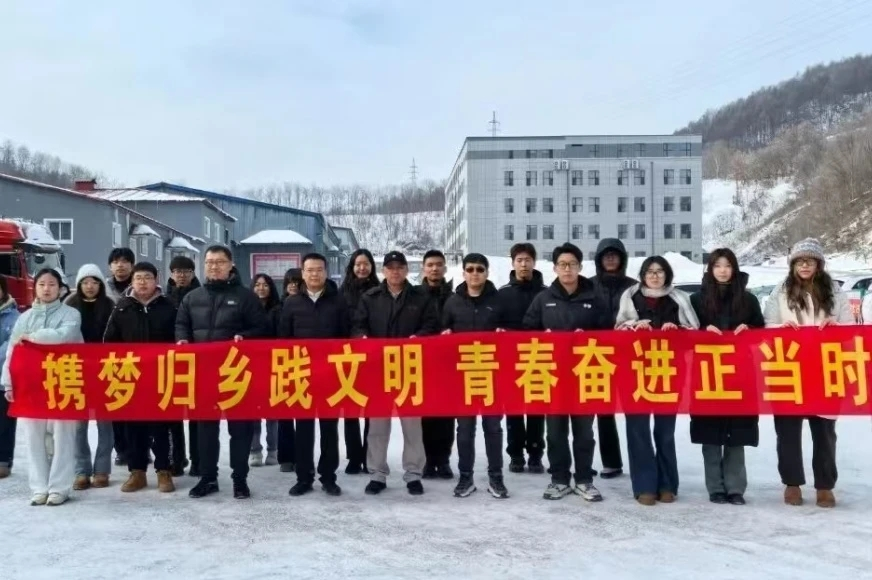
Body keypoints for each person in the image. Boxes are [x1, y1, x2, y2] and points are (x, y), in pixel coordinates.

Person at [763, 238, 852, 508]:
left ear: (818, 265)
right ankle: (792, 483)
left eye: (810, 261)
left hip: (825, 369)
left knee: (824, 431)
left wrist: (836, 326)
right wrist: (781, 329)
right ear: (793, 265)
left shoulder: (835, 291)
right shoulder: (781, 291)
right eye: (800, 261)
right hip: (789, 368)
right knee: (788, 430)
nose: (804, 266)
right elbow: (766, 326)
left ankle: (825, 485)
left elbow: (850, 329)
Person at [175, 246, 270, 499]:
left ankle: (240, 479)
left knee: (240, 429)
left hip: (236, 374)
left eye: (219, 262)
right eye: (209, 262)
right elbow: (182, 324)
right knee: (206, 430)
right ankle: (208, 478)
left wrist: (245, 337)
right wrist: (182, 339)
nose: (214, 266)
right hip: (204, 374)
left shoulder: (245, 297)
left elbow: (262, 328)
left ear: (230, 265)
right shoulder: (192, 297)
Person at [523, 243, 610, 501]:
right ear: (555, 268)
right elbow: (527, 332)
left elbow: (609, 333)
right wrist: (543, 336)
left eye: (572, 264)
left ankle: (584, 479)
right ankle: (559, 479)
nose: (567, 269)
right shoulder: (543, 299)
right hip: (553, 376)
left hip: (585, 375)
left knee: (584, 432)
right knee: (555, 432)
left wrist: (590, 336)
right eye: (562, 264)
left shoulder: (594, 298)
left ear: (580, 267)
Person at [352, 251, 439, 495]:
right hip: (378, 371)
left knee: (412, 426)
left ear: (406, 270)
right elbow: (358, 325)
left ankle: (413, 474)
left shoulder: (420, 297)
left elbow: (431, 325)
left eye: (400, 267)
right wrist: (363, 339)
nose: (395, 271)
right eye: (390, 267)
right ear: (384, 271)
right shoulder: (370, 297)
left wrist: (419, 337)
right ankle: (377, 474)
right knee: (378, 427)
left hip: (409, 370)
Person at [616, 256, 700, 506]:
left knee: (665, 431)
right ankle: (644, 485)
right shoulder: (630, 296)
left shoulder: (679, 298)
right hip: (635, 371)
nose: (654, 276)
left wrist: (678, 330)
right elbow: (618, 329)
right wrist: (633, 326)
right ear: (643, 275)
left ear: (667, 274)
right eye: (650, 271)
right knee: (638, 429)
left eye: (660, 271)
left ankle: (667, 484)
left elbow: (694, 332)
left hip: (668, 372)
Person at [1, 268, 82, 505]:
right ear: (35, 287)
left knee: (63, 436)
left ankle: (60, 487)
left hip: (63, 381)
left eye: (52, 284)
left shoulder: (71, 314)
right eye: (42, 284)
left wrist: (32, 337)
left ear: (61, 289)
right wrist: (8, 382)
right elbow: (12, 352)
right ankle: (39, 487)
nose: (47, 289)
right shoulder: (24, 318)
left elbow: (62, 336)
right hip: (31, 385)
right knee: (33, 437)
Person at [689, 249, 764, 505]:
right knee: (710, 431)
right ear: (710, 269)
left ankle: (735, 487)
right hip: (707, 372)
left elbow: (762, 334)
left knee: (737, 431)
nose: (723, 270)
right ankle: (715, 487)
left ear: (734, 268)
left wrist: (750, 330)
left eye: (728, 265)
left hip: (739, 372)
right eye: (717, 265)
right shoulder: (696, 300)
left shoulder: (748, 300)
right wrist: (701, 330)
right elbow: (684, 334)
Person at [103, 262, 178, 493]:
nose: (142, 282)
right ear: (132, 282)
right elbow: (109, 341)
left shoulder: (169, 306)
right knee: (133, 426)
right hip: (131, 376)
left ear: (156, 280)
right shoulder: (122, 307)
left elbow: (179, 338)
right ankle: (137, 472)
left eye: (147, 277)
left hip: (161, 375)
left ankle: (164, 471)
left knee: (161, 425)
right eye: (138, 278)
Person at [278, 253, 349, 497]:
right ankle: (304, 477)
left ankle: (329, 477)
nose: (314, 274)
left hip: (331, 375)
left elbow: (346, 337)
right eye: (309, 270)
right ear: (302, 273)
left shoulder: (339, 302)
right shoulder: (291, 303)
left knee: (329, 429)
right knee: (303, 430)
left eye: (319, 269)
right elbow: (283, 339)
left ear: (326, 272)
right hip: (302, 375)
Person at [441, 253, 508, 499]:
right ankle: (465, 477)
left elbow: (512, 333)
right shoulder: (453, 302)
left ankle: (496, 477)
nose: (475, 273)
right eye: (470, 269)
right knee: (464, 429)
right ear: (463, 273)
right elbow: (442, 331)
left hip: (492, 376)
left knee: (493, 428)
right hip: (463, 377)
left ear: (487, 273)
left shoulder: (499, 301)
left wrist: (504, 333)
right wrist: (445, 335)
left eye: (480, 269)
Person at [65, 264, 116, 491]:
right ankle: (81, 471)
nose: (90, 286)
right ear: (79, 284)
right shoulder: (69, 305)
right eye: (85, 282)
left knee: (105, 423)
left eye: (94, 282)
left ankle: (102, 470)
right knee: (78, 425)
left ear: (100, 284)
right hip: (76, 371)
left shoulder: (111, 306)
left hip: (105, 371)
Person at [589, 238, 636, 479]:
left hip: (628, 356)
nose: (610, 258)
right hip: (597, 355)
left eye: (614, 254)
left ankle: (639, 460)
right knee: (603, 410)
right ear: (599, 259)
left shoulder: (633, 287)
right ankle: (611, 461)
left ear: (622, 259)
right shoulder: (587, 285)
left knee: (634, 409)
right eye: (605, 255)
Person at [497, 242, 546, 474]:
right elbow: (494, 323)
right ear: (513, 263)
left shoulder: (546, 293)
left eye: (527, 260)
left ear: (534, 262)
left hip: (539, 358)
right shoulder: (502, 294)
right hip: (511, 361)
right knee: (514, 410)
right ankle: (515, 454)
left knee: (537, 409)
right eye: (519, 260)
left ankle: (536, 454)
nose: (524, 264)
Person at [340, 249, 379, 474]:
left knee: (372, 411)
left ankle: (369, 456)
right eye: (358, 264)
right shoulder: (342, 292)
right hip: (348, 357)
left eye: (366, 264)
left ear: (372, 266)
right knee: (351, 410)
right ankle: (354, 457)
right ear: (352, 267)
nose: (362, 268)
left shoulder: (380, 291)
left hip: (373, 357)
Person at [419, 249, 455, 480]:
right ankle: (427, 460)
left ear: (445, 268)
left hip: (449, 363)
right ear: (424, 268)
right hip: (422, 362)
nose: (434, 268)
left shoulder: (455, 296)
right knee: (425, 415)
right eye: (430, 265)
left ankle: (443, 461)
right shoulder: (414, 295)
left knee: (446, 416)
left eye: (438, 264)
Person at [166, 255, 201, 477]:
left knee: (198, 415)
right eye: (177, 271)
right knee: (172, 415)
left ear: (193, 273)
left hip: (198, 361)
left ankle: (199, 460)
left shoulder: (202, 295)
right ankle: (177, 459)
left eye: (186, 271)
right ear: (171, 274)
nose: (181, 275)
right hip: (170, 362)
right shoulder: (163, 298)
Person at [105, 248, 135, 467]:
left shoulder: (141, 286)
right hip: (110, 357)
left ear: (132, 265)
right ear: (110, 266)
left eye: (125, 261)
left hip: (138, 356)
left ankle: (140, 448)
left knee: (138, 404)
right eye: (116, 261)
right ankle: (122, 449)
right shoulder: (102, 288)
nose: (120, 265)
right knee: (115, 404)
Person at [249, 273, 281, 468]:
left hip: (273, 365)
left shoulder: (279, 309)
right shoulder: (245, 309)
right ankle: (255, 450)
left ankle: (273, 450)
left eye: (265, 285)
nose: (261, 288)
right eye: (257, 285)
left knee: (272, 412)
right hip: (251, 365)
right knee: (253, 411)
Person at [276, 266, 303, 473]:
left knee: (302, 413)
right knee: (284, 414)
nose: (293, 286)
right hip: (281, 364)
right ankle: (285, 456)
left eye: (297, 282)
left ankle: (302, 456)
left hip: (304, 364)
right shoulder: (278, 306)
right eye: (289, 282)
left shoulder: (306, 305)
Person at [0, 276, 20, 479]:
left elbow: (11, 345)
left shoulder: (13, 316)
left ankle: (3, 460)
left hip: (3, 377)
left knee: (5, 422)